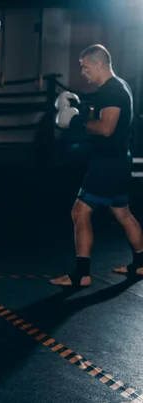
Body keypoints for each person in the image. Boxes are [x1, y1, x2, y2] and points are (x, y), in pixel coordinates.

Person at [51, 44, 143, 288]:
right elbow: (103, 118)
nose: (83, 72)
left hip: (107, 165)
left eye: (85, 66)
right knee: (123, 213)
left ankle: (81, 274)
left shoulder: (112, 91)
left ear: (98, 64)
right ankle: (141, 263)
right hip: (118, 160)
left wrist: (76, 122)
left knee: (79, 212)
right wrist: (82, 109)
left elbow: (106, 127)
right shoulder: (115, 88)